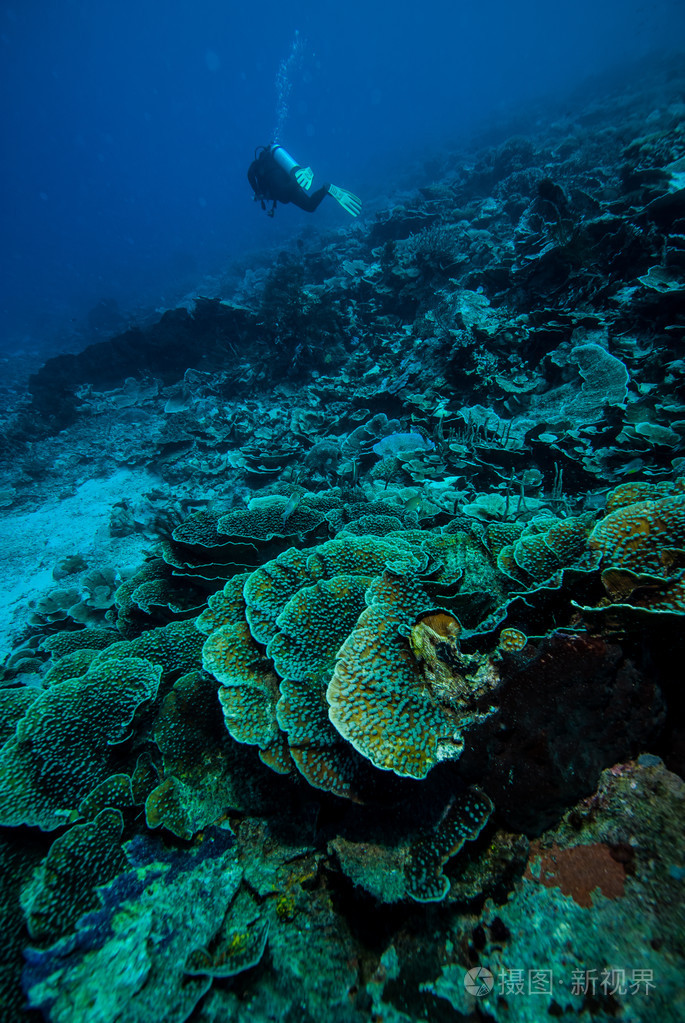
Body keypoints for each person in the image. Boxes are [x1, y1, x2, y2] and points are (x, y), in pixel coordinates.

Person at [248, 144, 361, 218]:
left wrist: (257, 192)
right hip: (291, 181)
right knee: (310, 206)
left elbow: (250, 175)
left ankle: (303, 181)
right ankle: (325, 189)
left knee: (283, 193)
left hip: (283, 189)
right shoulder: (276, 161)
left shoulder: (257, 165)